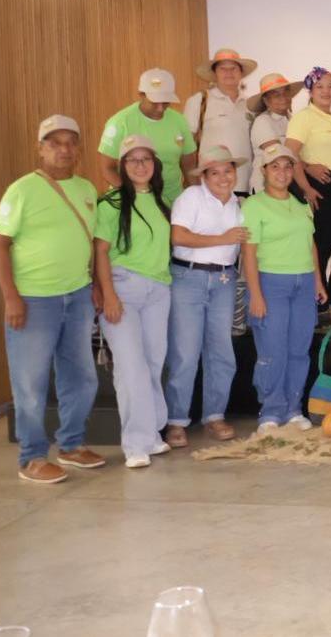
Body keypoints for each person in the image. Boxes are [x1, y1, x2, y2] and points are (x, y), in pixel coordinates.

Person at [0, 115, 105, 483]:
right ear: (40, 149)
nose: (64, 149)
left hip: (77, 297)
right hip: (34, 301)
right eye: (54, 142)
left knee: (82, 378)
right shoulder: (21, 190)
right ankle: (32, 457)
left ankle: (70, 446)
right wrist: (12, 298)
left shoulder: (87, 189)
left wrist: (93, 285)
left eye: (71, 142)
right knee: (31, 384)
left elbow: (90, 244)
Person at [94, 135, 174, 468]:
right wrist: (108, 293)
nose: (140, 166)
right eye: (132, 160)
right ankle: (134, 443)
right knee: (131, 367)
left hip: (158, 290)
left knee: (154, 362)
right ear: (123, 167)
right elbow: (99, 251)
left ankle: (153, 434)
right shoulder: (111, 203)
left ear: (154, 165)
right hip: (123, 289)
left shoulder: (160, 201)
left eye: (146, 159)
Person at [163, 145, 248, 448]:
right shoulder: (190, 198)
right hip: (189, 278)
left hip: (224, 280)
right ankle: (176, 421)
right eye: (216, 172)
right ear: (204, 176)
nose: (224, 177)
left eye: (228, 170)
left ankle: (214, 415)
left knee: (221, 351)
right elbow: (178, 236)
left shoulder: (238, 205)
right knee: (185, 352)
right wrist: (222, 238)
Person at [242, 144, 328, 433]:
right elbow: (249, 253)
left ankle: (293, 408)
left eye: (287, 166)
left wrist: (317, 280)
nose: (282, 172)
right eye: (275, 166)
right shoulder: (254, 206)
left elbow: (311, 245)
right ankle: (271, 410)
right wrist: (255, 294)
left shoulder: (302, 204)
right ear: (264, 171)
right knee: (272, 350)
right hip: (271, 283)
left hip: (303, 283)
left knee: (298, 350)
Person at [285, 67, 331, 307]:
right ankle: (318, 302)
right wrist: (306, 183)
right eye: (320, 86)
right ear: (311, 90)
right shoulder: (304, 117)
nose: (326, 91)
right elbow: (290, 154)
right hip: (318, 188)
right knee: (322, 246)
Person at [98, 68, 197, 204]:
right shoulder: (120, 122)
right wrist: (137, 197)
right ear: (141, 94)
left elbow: (189, 165)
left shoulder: (179, 121)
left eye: (166, 102)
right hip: (132, 199)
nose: (161, 108)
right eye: (155, 102)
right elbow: (107, 168)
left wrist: (199, 197)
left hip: (173, 200)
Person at [184, 48, 257, 194]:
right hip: (210, 186)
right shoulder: (199, 101)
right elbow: (186, 147)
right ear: (214, 73)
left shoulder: (251, 105)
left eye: (233, 68)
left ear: (241, 73)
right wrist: (193, 182)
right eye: (223, 69)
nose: (229, 73)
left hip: (245, 185)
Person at [248, 72, 303, 194]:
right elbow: (280, 156)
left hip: (288, 186)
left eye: (285, 92)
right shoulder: (262, 122)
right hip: (265, 188)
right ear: (266, 101)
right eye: (276, 95)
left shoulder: (293, 121)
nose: (283, 97)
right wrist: (310, 168)